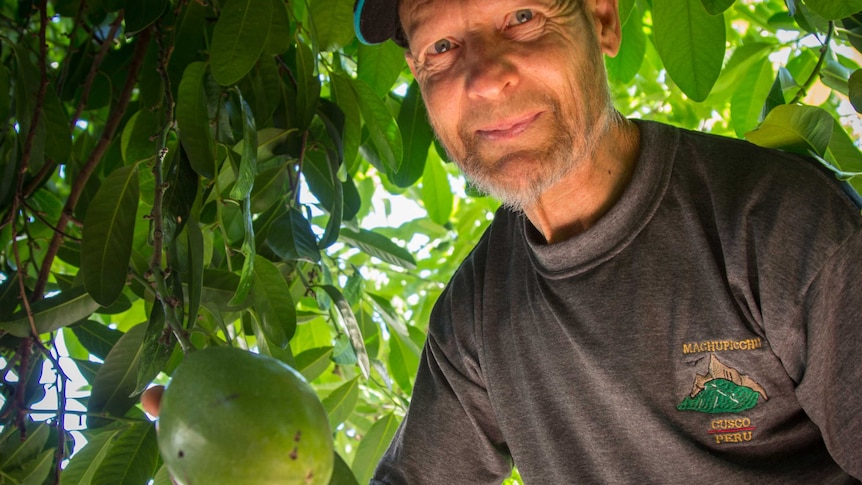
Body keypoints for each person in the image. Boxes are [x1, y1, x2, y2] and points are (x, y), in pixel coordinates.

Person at [353, 0, 862, 483]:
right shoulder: (472, 319)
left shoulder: (777, 220)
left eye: (522, 16)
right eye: (440, 48)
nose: (485, 78)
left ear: (602, 20)